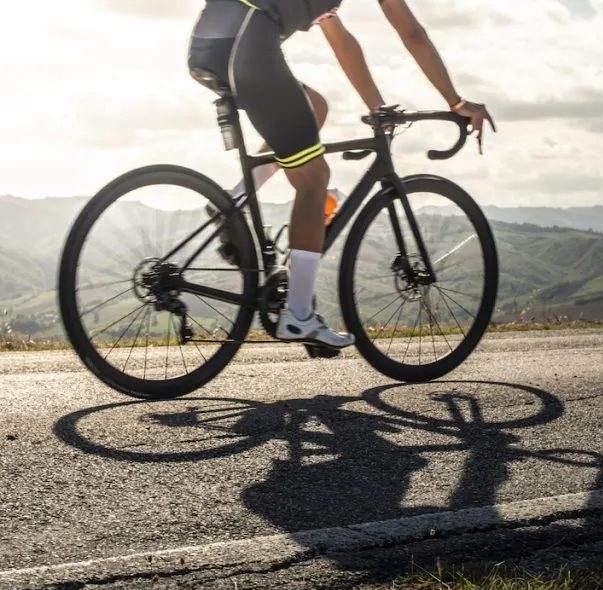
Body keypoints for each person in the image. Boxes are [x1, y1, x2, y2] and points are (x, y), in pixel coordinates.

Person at [186, 0, 496, 349]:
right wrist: (454, 101)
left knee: (314, 107)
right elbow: (413, 33)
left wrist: (378, 109)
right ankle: (299, 315)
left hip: (209, 45)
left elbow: (342, 43)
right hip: (246, 43)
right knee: (313, 178)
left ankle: (236, 200)